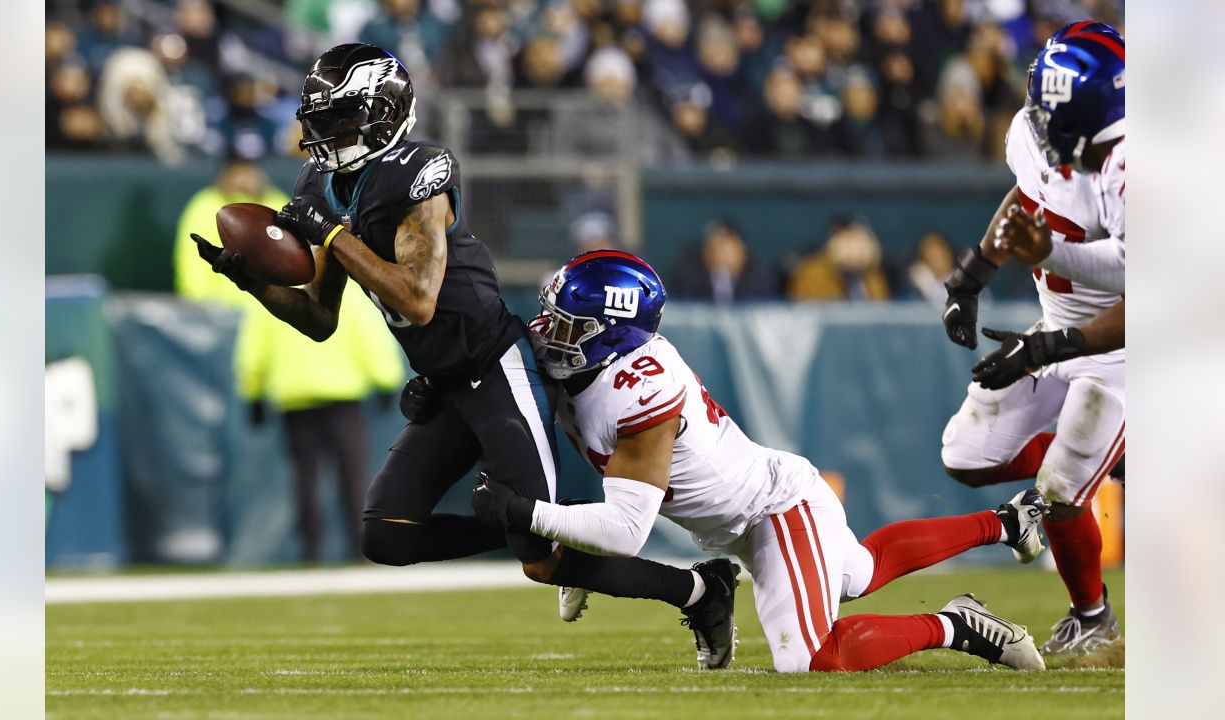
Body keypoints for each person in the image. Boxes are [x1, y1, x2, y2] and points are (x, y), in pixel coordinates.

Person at [189, 44, 722, 640]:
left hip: (496, 369)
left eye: (340, 116)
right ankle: (547, 525)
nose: (325, 132)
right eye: (320, 118)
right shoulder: (321, 182)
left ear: (383, 112)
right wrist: (252, 281)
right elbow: (319, 318)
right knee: (386, 535)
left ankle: (699, 590)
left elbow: (417, 298)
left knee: (539, 563)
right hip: (445, 381)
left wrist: (336, 235)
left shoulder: (421, 172)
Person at [472, 250, 1048, 673]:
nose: (548, 333)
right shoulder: (586, 368)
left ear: (611, 336)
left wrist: (527, 514)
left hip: (775, 508)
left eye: (568, 325)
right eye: (550, 315)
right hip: (752, 512)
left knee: (809, 657)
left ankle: (954, 625)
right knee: (859, 573)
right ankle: (1005, 523)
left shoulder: (636, 391)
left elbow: (624, 531)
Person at [937, 24, 1126, 657]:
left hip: (1129, 352)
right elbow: (1027, 197)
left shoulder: (1134, 166)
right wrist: (970, 279)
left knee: (1062, 490)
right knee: (966, 455)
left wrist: (1044, 348)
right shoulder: (1036, 135)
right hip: (1060, 325)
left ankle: (1092, 617)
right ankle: (1120, 460)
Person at [234, 283, 405, 563]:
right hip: (343, 399)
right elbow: (370, 338)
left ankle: (311, 552)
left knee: (305, 481)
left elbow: (254, 348)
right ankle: (359, 550)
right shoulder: (344, 294)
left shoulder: (274, 294)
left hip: (296, 401)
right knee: (353, 479)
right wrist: (386, 380)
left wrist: (252, 393)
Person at [173, 157, 290, 308]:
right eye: (237, 168)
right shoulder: (204, 205)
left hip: (268, 309)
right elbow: (192, 267)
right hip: (215, 310)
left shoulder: (277, 204)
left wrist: (279, 303)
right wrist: (201, 305)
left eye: (249, 167)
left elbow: (289, 269)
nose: (244, 176)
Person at [672, 218, 778, 302]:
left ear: (742, 251)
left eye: (727, 250)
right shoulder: (691, 281)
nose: (720, 255)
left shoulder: (758, 281)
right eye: (714, 249)